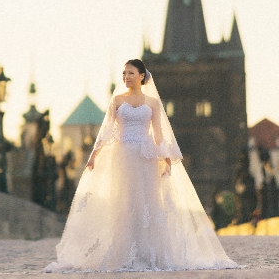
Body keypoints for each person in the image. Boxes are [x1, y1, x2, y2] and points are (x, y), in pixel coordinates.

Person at [44, 59, 238, 272]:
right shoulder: (116, 100)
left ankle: (149, 252)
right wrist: (94, 155)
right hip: (123, 156)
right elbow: (106, 130)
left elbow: (158, 134)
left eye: (131, 73)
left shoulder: (153, 103)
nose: (126, 77)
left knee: (148, 202)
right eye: (124, 73)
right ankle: (124, 252)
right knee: (125, 203)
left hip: (147, 157)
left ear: (142, 76)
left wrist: (165, 158)